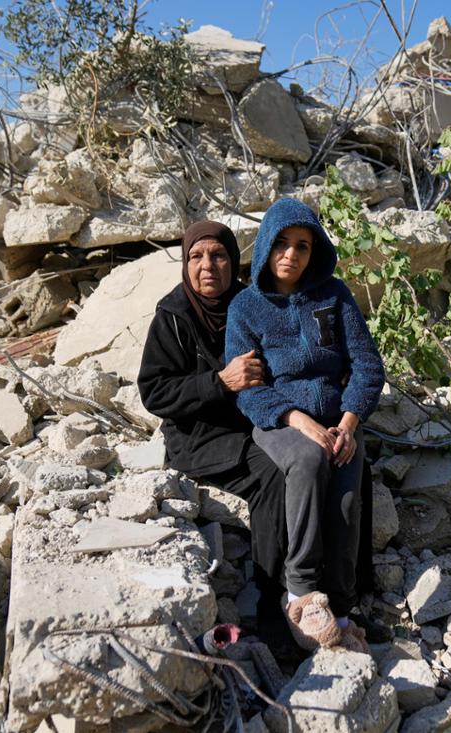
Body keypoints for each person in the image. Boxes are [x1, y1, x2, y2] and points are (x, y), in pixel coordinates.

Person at [225, 198, 385, 653]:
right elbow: (249, 389)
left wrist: (349, 424)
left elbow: (368, 367)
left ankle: (341, 610)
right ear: (265, 247)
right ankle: (301, 594)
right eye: (281, 243)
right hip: (278, 419)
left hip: (338, 420)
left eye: (302, 246)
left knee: (349, 493)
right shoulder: (245, 308)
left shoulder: (334, 295)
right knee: (310, 458)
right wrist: (299, 421)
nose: (291, 255)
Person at [137, 221, 294, 655]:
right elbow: (155, 392)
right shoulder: (173, 316)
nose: (208, 266)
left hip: (256, 422)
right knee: (274, 478)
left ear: (234, 261)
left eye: (219, 256)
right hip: (199, 440)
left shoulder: (251, 304)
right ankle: (271, 605)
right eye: (196, 257)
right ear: (186, 264)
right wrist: (220, 382)